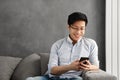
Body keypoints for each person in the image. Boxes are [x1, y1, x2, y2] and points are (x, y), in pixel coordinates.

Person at [26, 12, 99, 80]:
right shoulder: (57, 45)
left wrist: (88, 67)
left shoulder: (91, 44)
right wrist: (70, 67)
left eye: (82, 28)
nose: (78, 32)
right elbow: (52, 70)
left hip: (74, 78)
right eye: (75, 28)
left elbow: (96, 66)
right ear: (69, 27)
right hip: (52, 78)